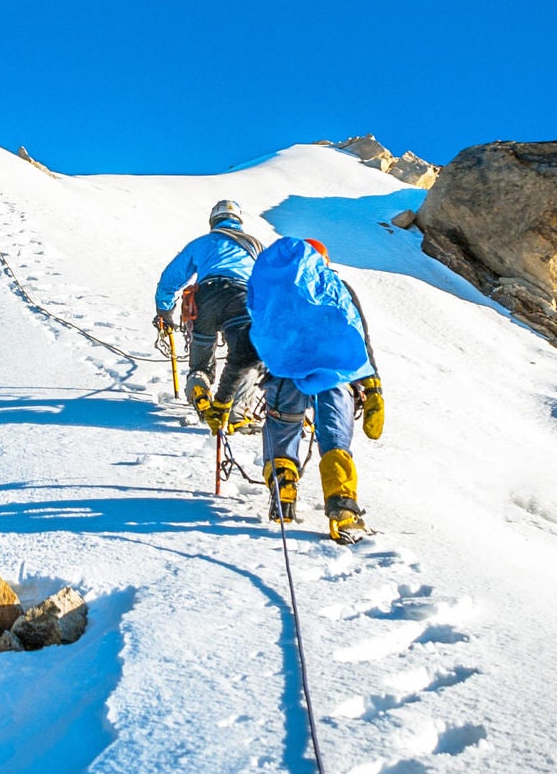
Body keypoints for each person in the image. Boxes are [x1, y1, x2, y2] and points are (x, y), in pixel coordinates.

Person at [244, 237, 385, 543]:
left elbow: (258, 330)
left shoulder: (273, 291)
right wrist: (373, 387)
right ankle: (342, 508)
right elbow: (359, 334)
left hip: (285, 374)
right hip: (336, 376)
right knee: (334, 439)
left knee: (283, 427)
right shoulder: (337, 286)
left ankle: (284, 492)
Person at [153, 200, 265, 432]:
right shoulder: (255, 246)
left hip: (204, 299)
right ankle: (238, 413)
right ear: (239, 222)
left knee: (202, 359)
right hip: (240, 299)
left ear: (213, 221)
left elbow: (170, 278)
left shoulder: (201, 244)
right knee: (247, 356)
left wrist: (165, 311)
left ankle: (199, 388)